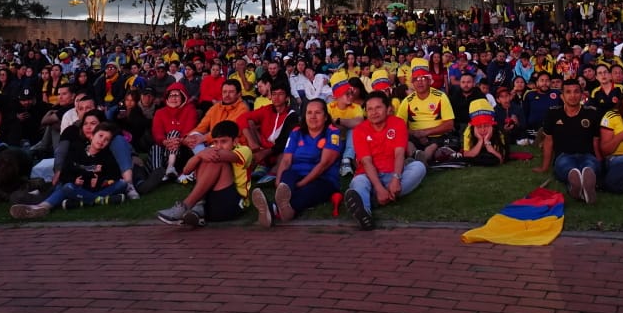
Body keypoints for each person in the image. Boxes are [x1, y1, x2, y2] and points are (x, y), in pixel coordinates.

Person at [12, 120, 130, 219]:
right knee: (67, 187)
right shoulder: (77, 151)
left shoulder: (107, 157)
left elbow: (112, 175)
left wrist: (100, 181)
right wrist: (76, 179)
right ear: (92, 135)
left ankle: (84, 201)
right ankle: (43, 207)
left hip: (97, 190)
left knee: (122, 184)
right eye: (100, 136)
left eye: (106, 140)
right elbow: (66, 172)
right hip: (78, 188)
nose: (102, 141)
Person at [252, 97, 342, 226]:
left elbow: (324, 165)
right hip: (296, 174)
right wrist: (279, 181)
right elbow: (286, 160)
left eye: (318, 113)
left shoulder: (333, 133)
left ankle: (274, 209)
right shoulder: (296, 132)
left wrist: (301, 184)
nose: (313, 116)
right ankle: (280, 208)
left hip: (323, 178)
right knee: (287, 177)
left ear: (326, 117)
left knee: (306, 191)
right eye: (309, 112)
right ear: (304, 116)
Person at [345, 90, 426, 231]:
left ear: (388, 109)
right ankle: (366, 214)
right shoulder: (359, 130)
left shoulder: (398, 123)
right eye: (369, 109)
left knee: (419, 167)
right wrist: (378, 187)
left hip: (392, 173)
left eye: (378, 108)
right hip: (368, 175)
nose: (373, 112)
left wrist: (396, 178)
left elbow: (400, 153)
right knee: (359, 182)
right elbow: (366, 162)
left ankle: (371, 201)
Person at [156, 120, 252, 228]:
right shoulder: (210, 150)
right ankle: (199, 206)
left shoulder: (244, 150)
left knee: (217, 161)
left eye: (223, 141)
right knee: (204, 160)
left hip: (232, 204)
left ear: (235, 141)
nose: (218, 146)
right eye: (215, 142)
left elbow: (224, 156)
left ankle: (186, 205)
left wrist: (204, 153)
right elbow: (187, 170)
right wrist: (199, 155)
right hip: (210, 203)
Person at [531, 77, 602, 204]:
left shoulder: (591, 113)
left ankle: (585, 184)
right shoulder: (553, 113)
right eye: (568, 92)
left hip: (587, 154)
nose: (572, 95)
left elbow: (596, 140)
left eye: (576, 92)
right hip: (564, 156)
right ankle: (576, 184)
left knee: (590, 167)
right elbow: (549, 141)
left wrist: (599, 160)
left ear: (582, 95)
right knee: (569, 169)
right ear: (562, 96)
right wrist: (544, 167)